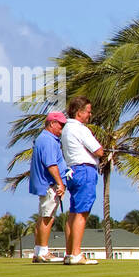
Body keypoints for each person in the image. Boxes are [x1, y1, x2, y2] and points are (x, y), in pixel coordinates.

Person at [60, 96, 104, 265]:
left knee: (73, 213)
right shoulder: (81, 129)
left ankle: (70, 253)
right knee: (81, 213)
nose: (90, 115)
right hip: (85, 170)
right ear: (79, 113)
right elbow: (98, 151)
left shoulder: (66, 129)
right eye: (88, 111)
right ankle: (77, 254)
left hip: (72, 171)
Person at [27, 111, 68, 262]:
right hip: (49, 184)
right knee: (47, 217)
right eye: (60, 125)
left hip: (47, 184)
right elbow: (51, 164)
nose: (62, 129)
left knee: (44, 216)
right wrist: (60, 183)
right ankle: (43, 252)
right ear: (52, 124)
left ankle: (38, 251)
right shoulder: (48, 140)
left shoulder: (45, 139)